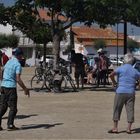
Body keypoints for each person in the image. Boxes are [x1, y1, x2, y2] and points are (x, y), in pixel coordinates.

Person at [108, 53, 140, 134]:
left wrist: (114, 82)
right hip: (131, 92)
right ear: (132, 61)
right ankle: (129, 128)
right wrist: (138, 85)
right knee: (130, 110)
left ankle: (115, 128)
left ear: (124, 60)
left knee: (117, 109)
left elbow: (111, 75)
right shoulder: (135, 70)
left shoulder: (120, 68)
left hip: (120, 91)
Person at [0, 47, 30, 131]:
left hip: (3, 86)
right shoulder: (17, 65)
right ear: (20, 56)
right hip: (11, 88)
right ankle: (10, 125)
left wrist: (2, 82)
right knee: (13, 108)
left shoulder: (9, 61)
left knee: (3, 107)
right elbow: (18, 79)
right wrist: (25, 89)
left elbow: (2, 70)